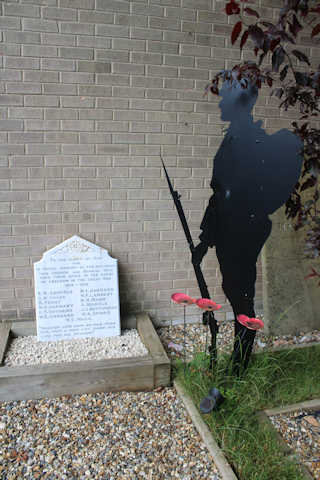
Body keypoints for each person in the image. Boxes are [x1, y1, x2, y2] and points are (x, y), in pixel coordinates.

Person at [192, 80, 302, 376]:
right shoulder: (232, 138)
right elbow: (219, 194)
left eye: (224, 99)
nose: (219, 104)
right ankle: (236, 359)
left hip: (242, 229)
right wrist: (205, 238)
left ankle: (238, 366)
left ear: (240, 104)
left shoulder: (251, 140)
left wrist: (233, 221)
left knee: (241, 295)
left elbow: (240, 193)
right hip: (227, 226)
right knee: (233, 289)